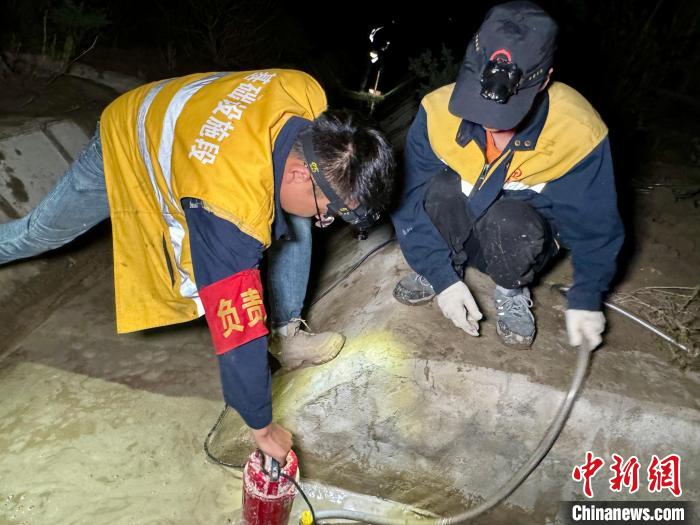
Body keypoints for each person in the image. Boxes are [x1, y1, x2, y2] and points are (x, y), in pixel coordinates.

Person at [0, 69, 395, 463]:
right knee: (41, 233)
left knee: (297, 219)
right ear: (298, 172)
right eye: (330, 209)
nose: (328, 220)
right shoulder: (227, 206)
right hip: (129, 138)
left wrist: (317, 205)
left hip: (192, 133)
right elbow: (237, 329)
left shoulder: (303, 90)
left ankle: (286, 335)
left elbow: (295, 188)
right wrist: (262, 427)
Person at [391, 1, 623, 350]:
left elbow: (595, 224)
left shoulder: (578, 130)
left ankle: (511, 290)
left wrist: (587, 296)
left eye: (506, 115)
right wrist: (441, 277)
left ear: (544, 79)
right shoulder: (436, 110)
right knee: (439, 190)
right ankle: (442, 268)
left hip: (521, 238)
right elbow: (407, 199)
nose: (490, 125)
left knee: (510, 220)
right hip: (462, 224)